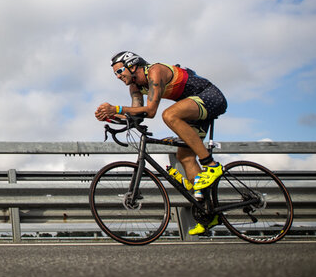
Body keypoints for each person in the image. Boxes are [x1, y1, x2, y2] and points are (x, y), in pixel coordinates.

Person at [95, 51, 228, 235]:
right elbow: (136, 114)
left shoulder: (155, 71)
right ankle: (208, 213)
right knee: (185, 157)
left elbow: (150, 111)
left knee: (170, 115)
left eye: (120, 71)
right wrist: (110, 116)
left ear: (132, 65)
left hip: (209, 96)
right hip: (192, 106)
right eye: (115, 74)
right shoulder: (134, 87)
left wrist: (116, 107)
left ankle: (212, 166)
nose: (118, 77)